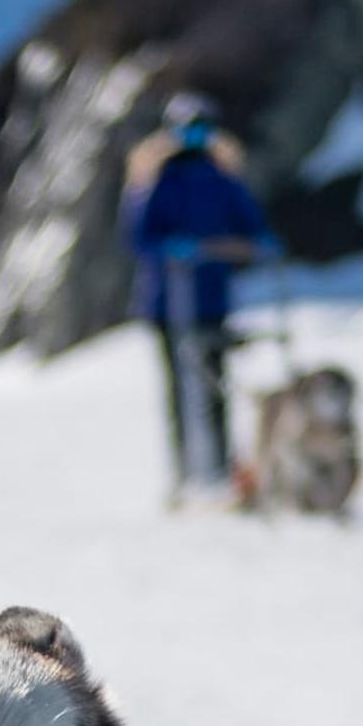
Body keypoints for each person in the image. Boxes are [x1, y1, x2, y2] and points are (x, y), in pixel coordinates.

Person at [122, 92, 276, 495]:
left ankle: (221, 470)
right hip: (169, 300)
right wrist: (172, 248)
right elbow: (140, 237)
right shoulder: (154, 178)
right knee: (179, 387)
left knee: (215, 386)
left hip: (211, 296)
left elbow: (250, 222)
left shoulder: (222, 178)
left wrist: (260, 241)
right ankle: (184, 472)